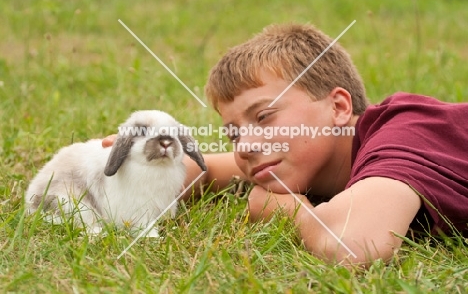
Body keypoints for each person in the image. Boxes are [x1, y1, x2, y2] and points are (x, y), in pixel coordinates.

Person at [103, 23, 468, 267]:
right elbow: (207, 170)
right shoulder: (305, 157)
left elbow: (355, 247)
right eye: (233, 132)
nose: (244, 145)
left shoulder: (405, 130)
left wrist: (284, 210)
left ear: (338, 108)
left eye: (263, 117)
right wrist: (128, 167)